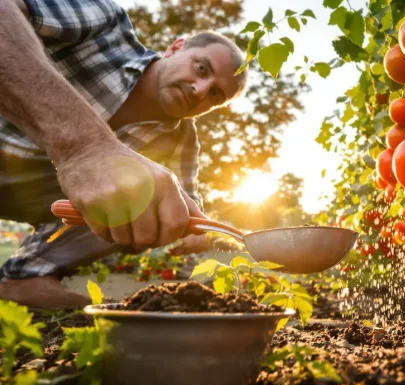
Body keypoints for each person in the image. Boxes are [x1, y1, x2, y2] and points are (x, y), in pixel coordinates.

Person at [0, 0, 249, 309]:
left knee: (141, 199)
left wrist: (198, 230)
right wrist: (84, 147)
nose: (200, 90)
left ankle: (26, 277)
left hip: (39, 199)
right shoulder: (106, 26)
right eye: (201, 68)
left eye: (215, 94)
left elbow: (189, 203)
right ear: (176, 47)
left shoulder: (182, 141)